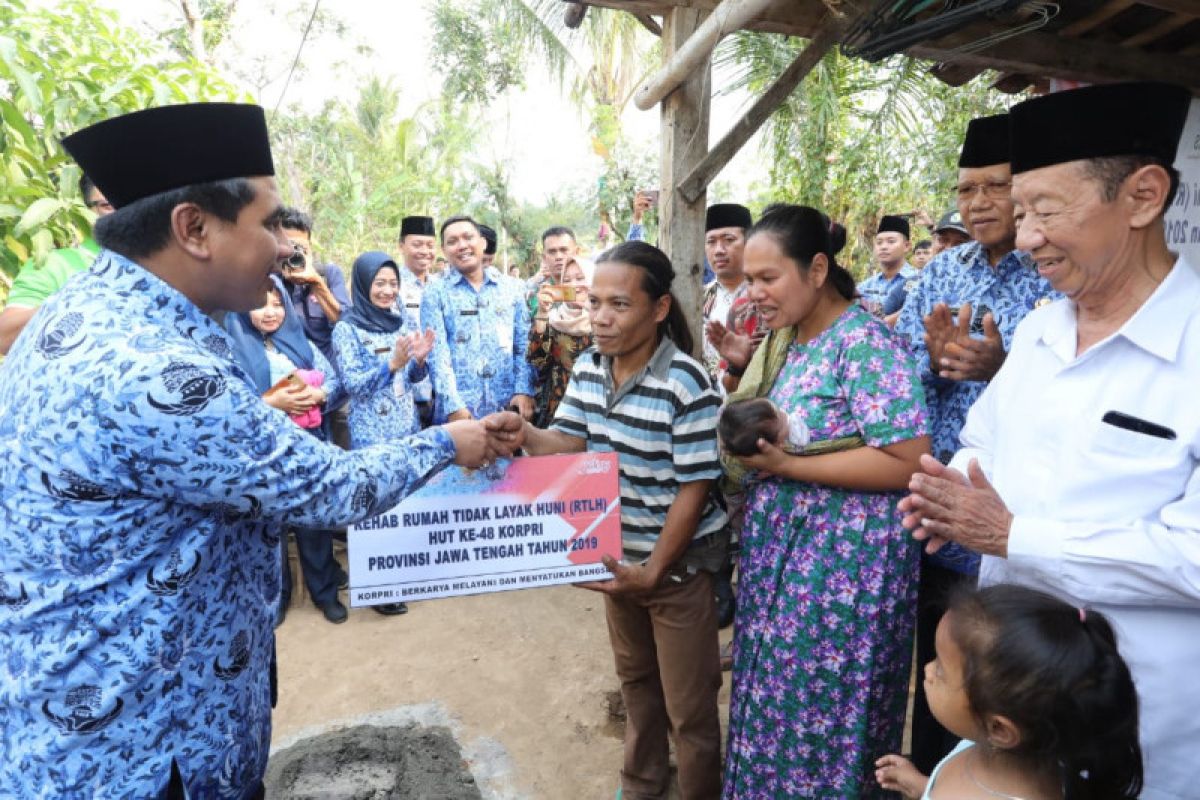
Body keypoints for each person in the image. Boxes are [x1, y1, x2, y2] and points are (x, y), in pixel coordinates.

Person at [0, 102, 519, 797]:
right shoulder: (153, 371)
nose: (288, 246)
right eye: (270, 222)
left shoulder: (90, 312)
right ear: (194, 229)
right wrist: (449, 441)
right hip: (147, 750)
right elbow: (335, 489)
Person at [901, 81, 1195, 800]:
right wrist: (953, 492)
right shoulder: (1039, 330)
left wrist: (1014, 536)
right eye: (1021, 210)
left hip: (1146, 731)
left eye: (1045, 210)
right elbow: (980, 440)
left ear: (1143, 195)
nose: (1025, 234)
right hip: (1011, 719)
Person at [722, 204, 929, 798]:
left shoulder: (863, 344)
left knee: (825, 722)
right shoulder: (788, 341)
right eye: (749, 279)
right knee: (774, 711)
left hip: (841, 581)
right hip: (786, 567)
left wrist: (788, 465)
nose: (754, 293)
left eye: (768, 278)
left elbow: (908, 459)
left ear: (817, 269)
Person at [519, 240, 728, 800]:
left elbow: (695, 485)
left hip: (675, 572)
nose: (602, 318)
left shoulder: (686, 383)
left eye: (619, 304)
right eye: (595, 303)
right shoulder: (589, 367)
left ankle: (700, 791)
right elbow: (568, 442)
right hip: (617, 559)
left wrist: (656, 568)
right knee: (637, 683)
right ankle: (642, 782)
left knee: (690, 706)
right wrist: (523, 435)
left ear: (659, 309)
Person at [894, 111, 1058, 775]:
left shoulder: (1054, 272)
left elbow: (1066, 385)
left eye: (995, 187)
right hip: (935, 510)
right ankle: (930, 785)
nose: (979, 202)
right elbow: (897, 369)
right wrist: (930, 362)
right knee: (938, 675)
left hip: (1011, 524)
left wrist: (1000, 369)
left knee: (1009, 684)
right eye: (967, 190)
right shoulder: (941, 271)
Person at [875, 584, 1143, 800]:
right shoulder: (986, 744)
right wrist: (923, 787)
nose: (927, 670)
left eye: (942, 670)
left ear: (1000, 729)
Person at [225, 277, 348, 625]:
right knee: (270, 531)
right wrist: (269, 402)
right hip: (263, 455)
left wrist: (319, 396)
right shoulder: (232, 346)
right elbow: (228, 405)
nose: (271, 313)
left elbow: (335, 381)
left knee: (314, 523)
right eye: (261, 303)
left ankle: (325, 593)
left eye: (278, 304)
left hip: (306, 449)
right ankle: (276, 600)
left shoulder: (300, 342)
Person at [422, 214, 536, 423]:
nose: (462, 245)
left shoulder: (511, 288)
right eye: (452, 241)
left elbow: (523, 344)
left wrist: (523, 389)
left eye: (468, 237)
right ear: (444, 251)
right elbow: (437, 354)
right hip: (459, 414)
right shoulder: (435, 292)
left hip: (507, 408)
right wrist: (453, 405)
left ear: (482, 243)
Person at [0, 174, 112, 354]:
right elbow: (5, 336)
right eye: (107, 205)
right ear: (86, 210)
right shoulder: (56, 263)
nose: (122, 212)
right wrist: (76, 300)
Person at [276, 207, 349, 364]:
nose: (294, 254)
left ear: (310, 247)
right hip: (290, 375)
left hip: (330, 374)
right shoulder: (268, 280)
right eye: (290, 247)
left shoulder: (329, 274)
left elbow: (347, 323)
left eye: (301, 248)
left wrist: (317, 282)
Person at [527, 256, 591, 428]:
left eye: (580, 278)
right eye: (567, 280)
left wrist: (592, 309)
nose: (574, 285)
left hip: (596, 410)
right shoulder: (555, 319)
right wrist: (542, 312)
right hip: (559, 409)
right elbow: (537, 360)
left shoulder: (606, 319)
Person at [700, 203, 754, 391]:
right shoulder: (697, 299)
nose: (719, 250)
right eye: (711, 242)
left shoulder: (763, 298)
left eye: (729, 240)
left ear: (748, 242)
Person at [396, 214, 438, 426]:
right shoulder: (391, 286)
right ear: (401, 246)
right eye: (417, 244)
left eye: (430, 245)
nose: (425, 251)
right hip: (409, 391)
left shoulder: (441, 285)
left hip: (441, 389)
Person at [858, 214, 917, 316]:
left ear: (907, 246)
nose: (883, 247)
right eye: (879, 242)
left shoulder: (920, 281)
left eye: (891, 241)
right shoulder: (864, 287)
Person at [717, 397, 809, 457]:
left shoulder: (766, 412)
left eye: (777, 409)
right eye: (782, 425)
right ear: (775, 446)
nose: (786, 415)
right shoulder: (798, 439)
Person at [526, 225, 578, 314]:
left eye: (564, 250)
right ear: (544, 257)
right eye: (552, 252)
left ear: (577, 252)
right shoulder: (536, 293)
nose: (558, 257)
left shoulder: (590, 287)